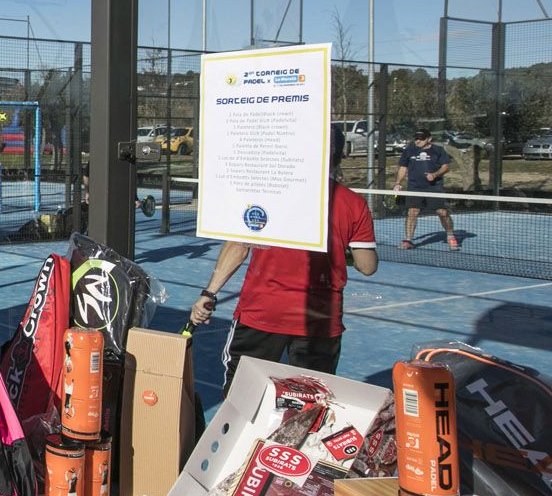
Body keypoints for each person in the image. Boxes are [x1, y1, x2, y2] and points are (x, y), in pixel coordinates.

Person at [189, 128, 378, 390]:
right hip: (321, 320)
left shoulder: (271, 193)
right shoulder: (354, 203)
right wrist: (338, 251)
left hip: (262, 313)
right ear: (340, 155)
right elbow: (367, 266)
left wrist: (209, 293)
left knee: (242, 397)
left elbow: (239, 245)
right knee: (310, 406)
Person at [396, 128, 459, 251]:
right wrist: (398, 183)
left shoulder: (438, 150)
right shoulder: (409, 150)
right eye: (416, 138)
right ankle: (408, 239)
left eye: (421, 138)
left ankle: (450, 236)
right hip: (414, 187)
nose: (418, 141)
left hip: (434, 187)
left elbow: (446, 167)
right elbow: (403, 168)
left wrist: (435, 175)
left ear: (429, 139)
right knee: (412, 212)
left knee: (442, 212)